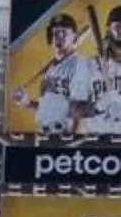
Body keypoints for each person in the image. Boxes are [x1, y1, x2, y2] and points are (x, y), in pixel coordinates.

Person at [12, 8, 110, 136]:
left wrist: (72, 141)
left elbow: (79, 112)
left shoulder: (79, 65)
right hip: (46, 135)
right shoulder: (50, 71)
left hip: (65, 136)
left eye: (64, 33)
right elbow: (49, 109)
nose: (58, 37)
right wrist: (27, 102)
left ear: (74, 37)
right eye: (55, 33)